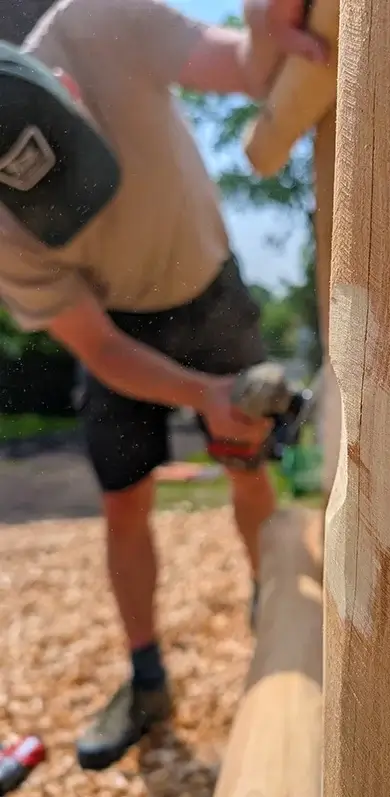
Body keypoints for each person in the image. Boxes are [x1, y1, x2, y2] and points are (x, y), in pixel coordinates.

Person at [0, 0, 326, 771]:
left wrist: (266, 29)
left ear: (69, 92)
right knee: (123, 501)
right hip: (120, 323)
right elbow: (98, 344)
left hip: (209, 284)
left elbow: (248, 68)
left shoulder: (105, 23)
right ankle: (148, 679)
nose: (87, 209)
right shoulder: (5, 232)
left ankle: (268, 605)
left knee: (248, 466)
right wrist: (198, 395)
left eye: (76, 175)